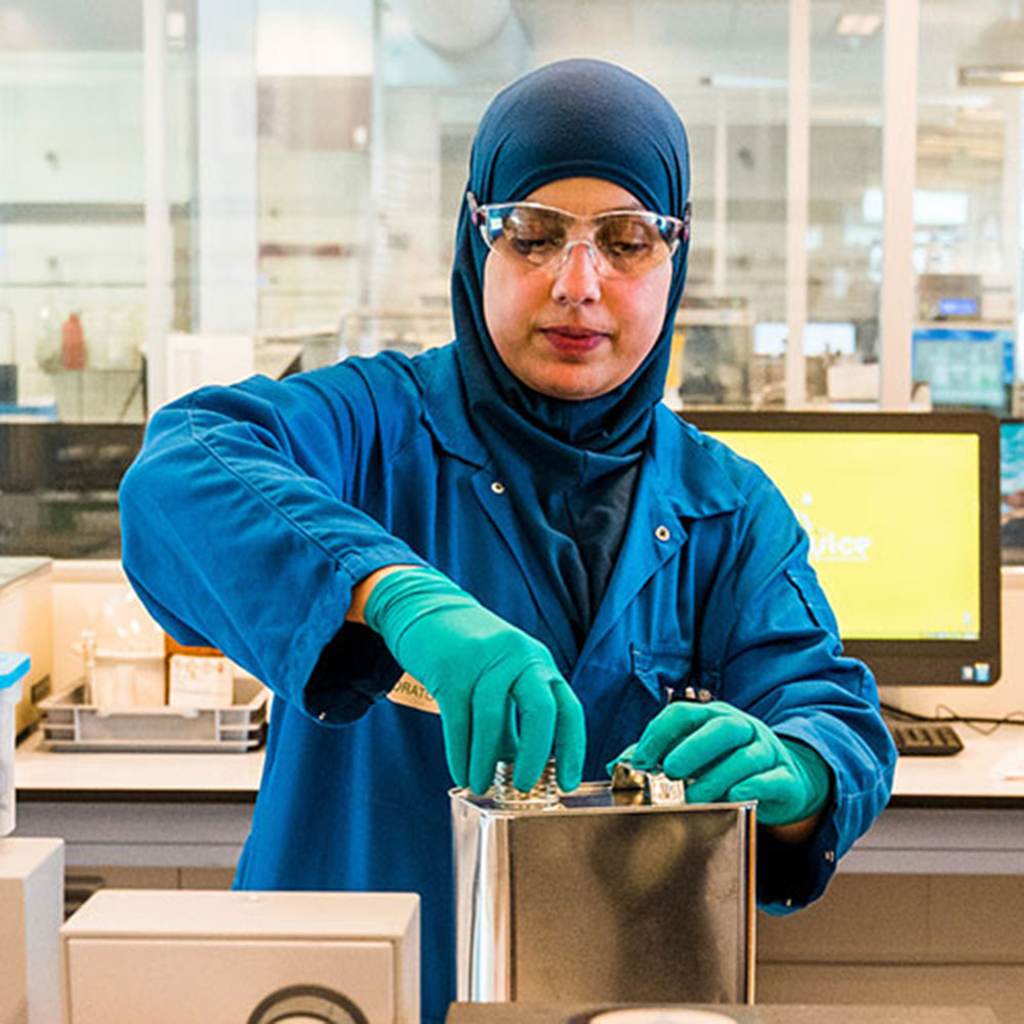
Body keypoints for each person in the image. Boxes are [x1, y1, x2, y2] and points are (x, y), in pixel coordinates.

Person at [119, 58, 896, 1023]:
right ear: (475, 237)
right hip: (349, 991)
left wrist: (799, 768)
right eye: (533, 236)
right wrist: (395, 597)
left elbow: (831, 710)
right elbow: (182, 467)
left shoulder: (726, 509)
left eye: (627, 241)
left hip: (614, 997)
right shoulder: (371, 428)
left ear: (676, 259)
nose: (579, 284)